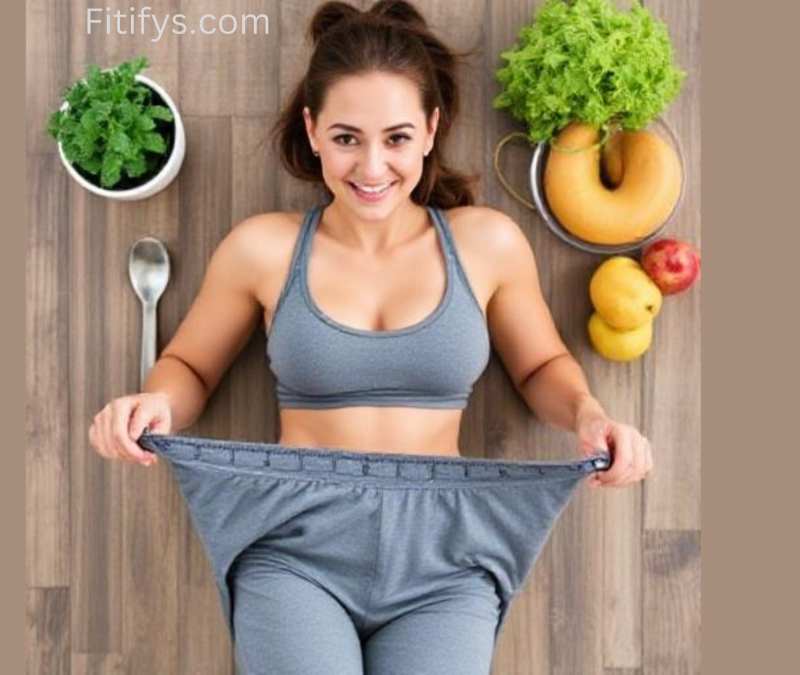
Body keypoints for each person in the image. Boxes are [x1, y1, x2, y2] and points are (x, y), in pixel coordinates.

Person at [88, 1, 652, 672]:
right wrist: (156, 402)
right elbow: (190, 364)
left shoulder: (488, 243)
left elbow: (540, 367)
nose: (373, 166)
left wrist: (590, 414)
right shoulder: (262, 247)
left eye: (397, 138)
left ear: (431, 131)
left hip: (446, 556)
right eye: (348, 137)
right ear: (314, 130)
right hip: (295, 546)